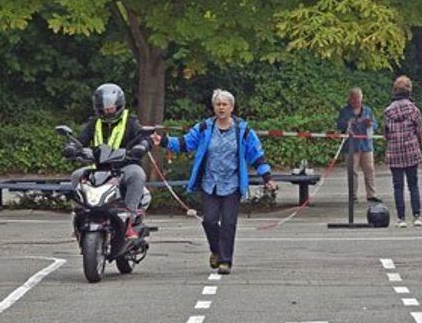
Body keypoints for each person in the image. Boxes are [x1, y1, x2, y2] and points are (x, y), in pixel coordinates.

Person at [152, 89, 275, 274]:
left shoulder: (243, 130)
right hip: (209, 183)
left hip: (232, 184)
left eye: (225, 104)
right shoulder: (204, 128)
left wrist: (267, 177)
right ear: (214, 107)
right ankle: (216, 251)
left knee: (228, 223)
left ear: (232, 107)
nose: (221, 108)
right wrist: (163, 141)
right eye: (218, 104)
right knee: (209, 221)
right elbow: (185, 143)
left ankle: (225, 261)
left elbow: (256, 155)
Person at [66, 83, 152, 241]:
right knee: (76, 175)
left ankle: (130, 221)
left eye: (111, 108)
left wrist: (142, 146)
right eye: (104, 109)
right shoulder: (94, 123)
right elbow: (80, 140)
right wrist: (72, 147)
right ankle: (79, 218)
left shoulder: (131, 122)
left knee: (137, 174)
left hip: (124, 166)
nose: (108, 111)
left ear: (119, 105)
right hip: (98, 167)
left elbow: (144, 137)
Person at [383, 76, 422, 228]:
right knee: (413, 184)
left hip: (394, 152)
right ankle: (417, 215)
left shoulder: (388, 111)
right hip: (411, 150)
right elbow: (419, 131)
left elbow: (386, 134)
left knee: (397, 186)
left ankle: (401, 218)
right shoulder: (414, 109)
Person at [336, 87, 378, 202]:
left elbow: (375, 125)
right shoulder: (344, 111)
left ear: (361, 98)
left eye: (358, 98)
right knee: (352, 171)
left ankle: (371, 195)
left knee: (369, 169)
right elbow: (339, 125)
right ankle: (353, 195)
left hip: (366, 145)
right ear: (349, 99)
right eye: (353, 98)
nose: (356, 101)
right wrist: (348, 123)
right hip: (351, 146)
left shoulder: (368, 110)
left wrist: (370, 124)